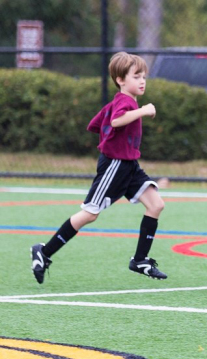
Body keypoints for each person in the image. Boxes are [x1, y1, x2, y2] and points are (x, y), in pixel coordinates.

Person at [30, 51, 167, 284]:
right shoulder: (125, 102)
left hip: (129, 165)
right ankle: (44, 252)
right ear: (121, 80)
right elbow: (115, 121)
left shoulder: (120, 102)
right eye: (136, 76)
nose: (142, 80)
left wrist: (110, 133)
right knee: (90, 214)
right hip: (115, 165)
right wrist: (143, 111)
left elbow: (96, 124)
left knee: (156, 205)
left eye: (143, 75)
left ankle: (140, 260)